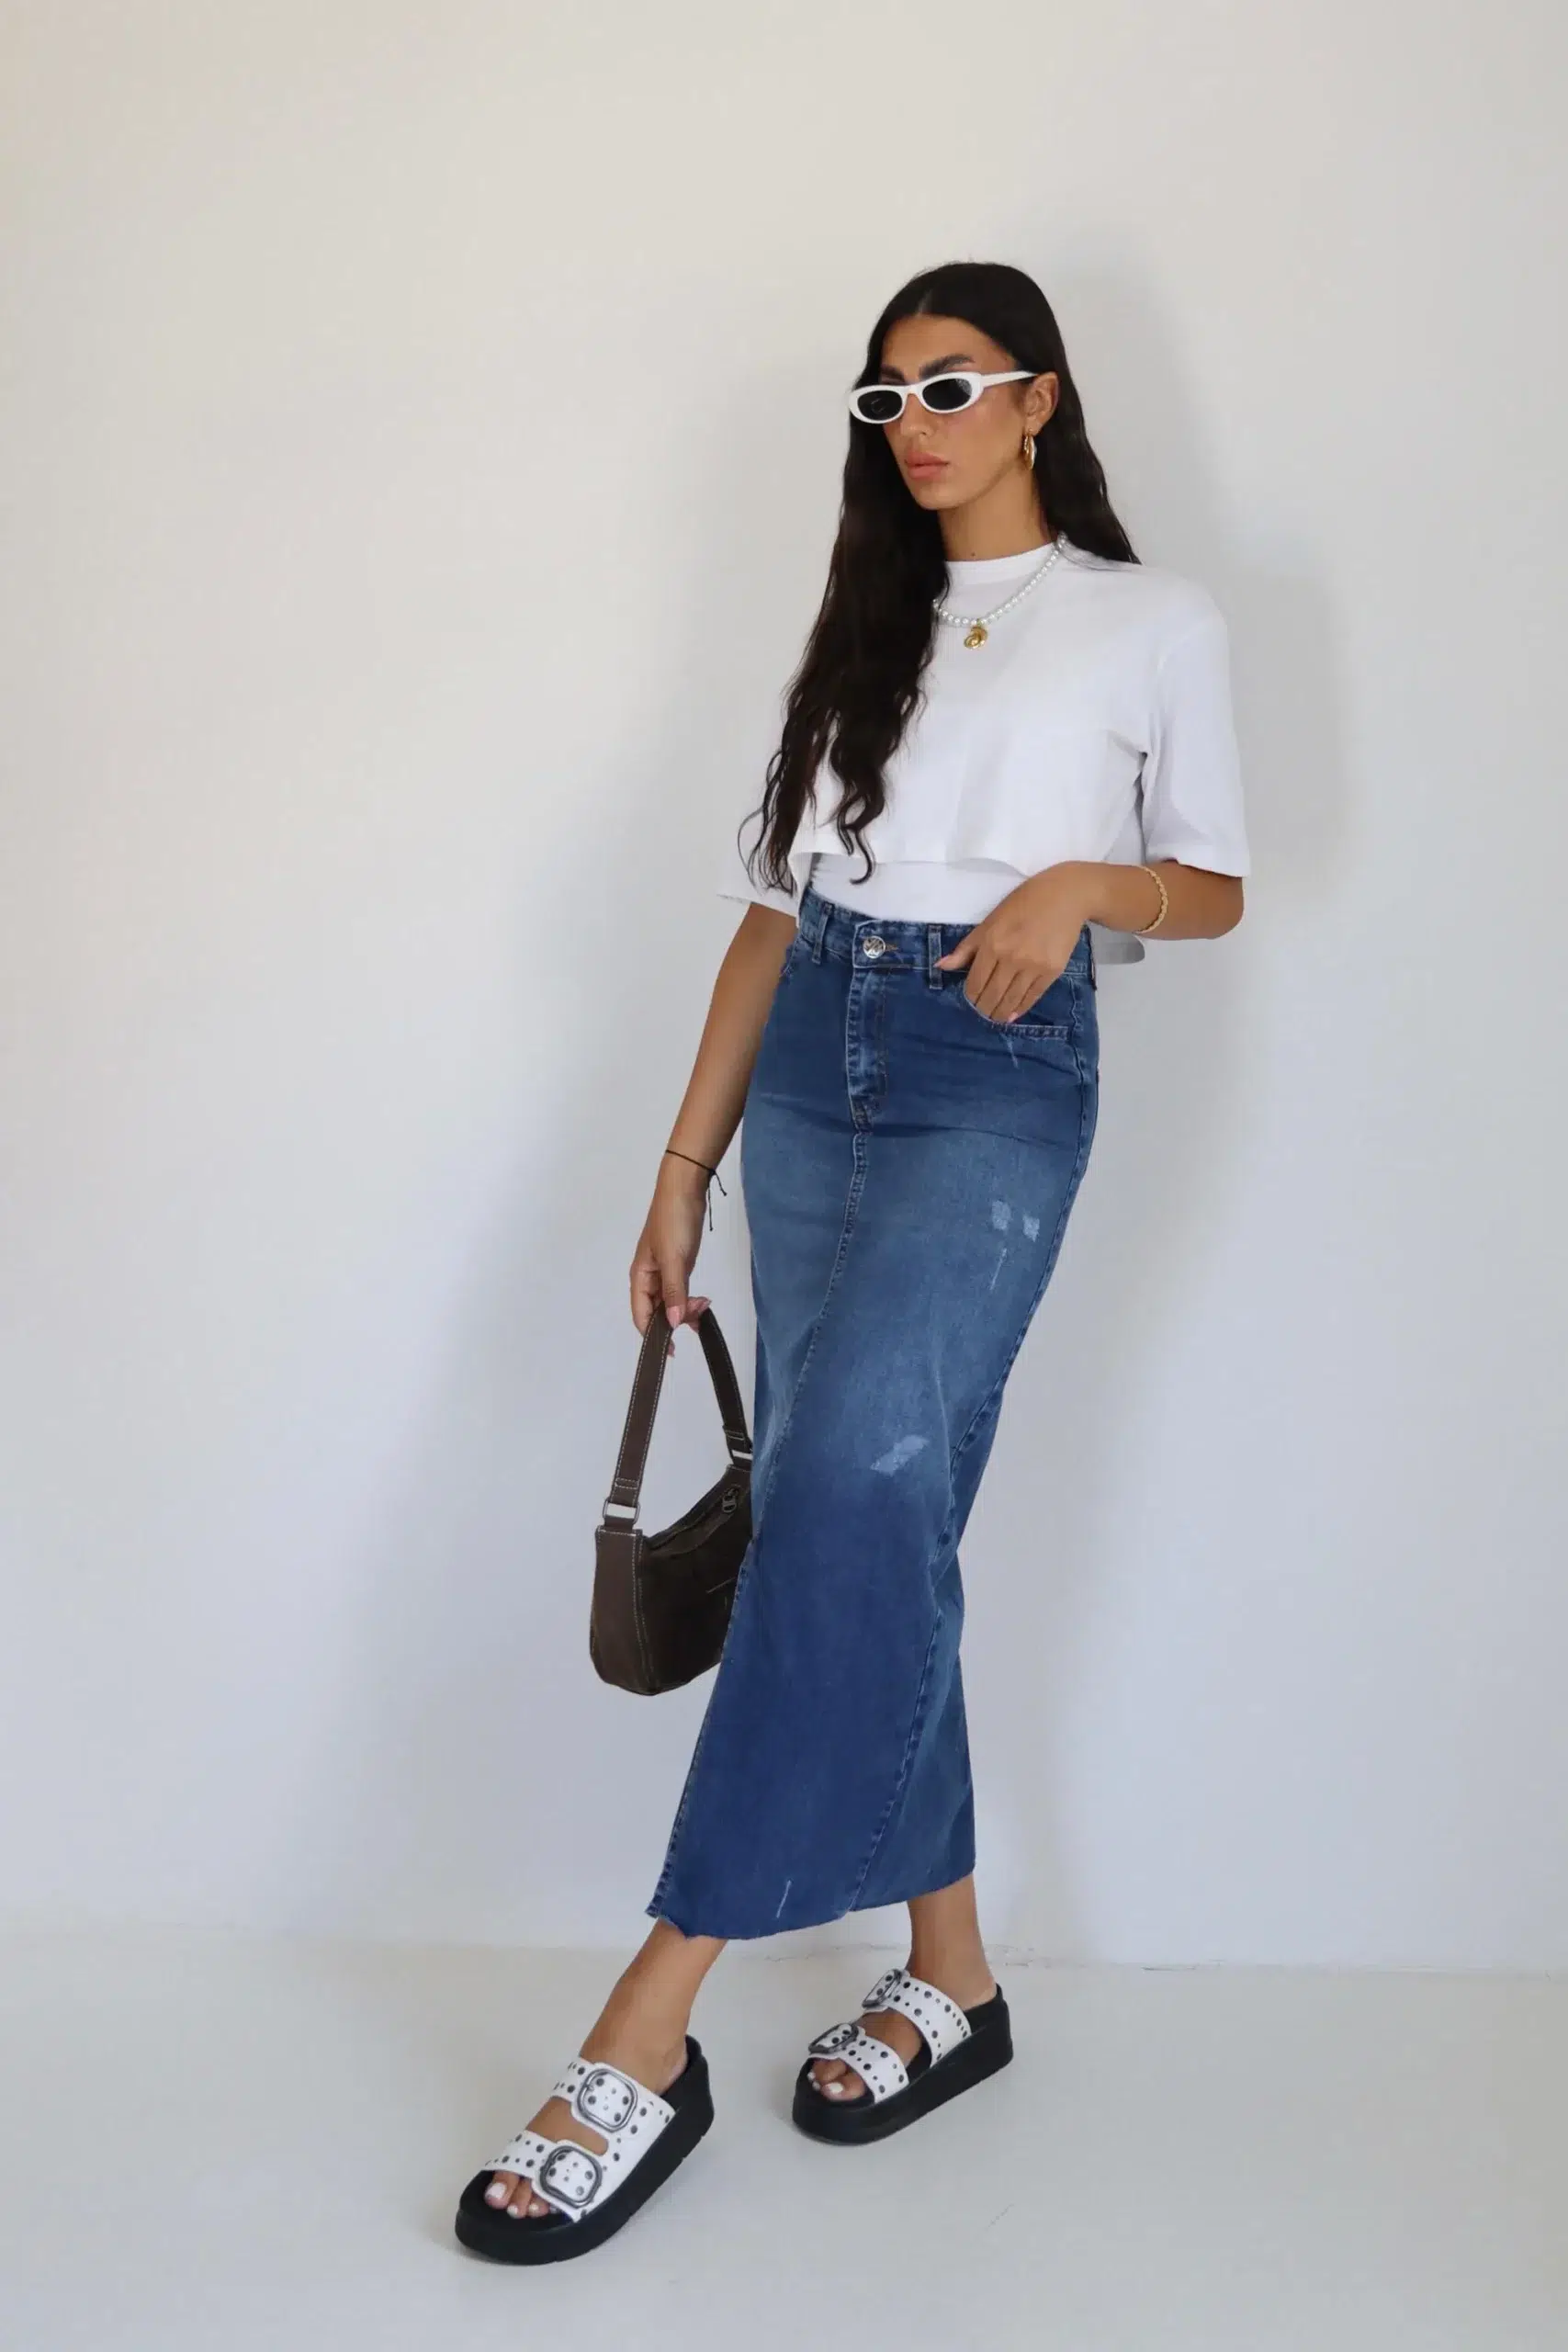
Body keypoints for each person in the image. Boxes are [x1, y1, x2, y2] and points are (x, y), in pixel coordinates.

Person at [454, 258, 1250, 2264]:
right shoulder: (859, 627)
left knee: (851, 1492)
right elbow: (768, 911)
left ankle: (649, 2016)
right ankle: (954, 1975)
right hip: (812, 1063)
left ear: (1040, 397)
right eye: (884, 397)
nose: (914, 423)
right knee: (868, 1519)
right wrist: (680, 1165)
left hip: (994, 1072)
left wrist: (1081, 886)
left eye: (950, 384)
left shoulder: (1152, 619)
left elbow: (1217, 884)